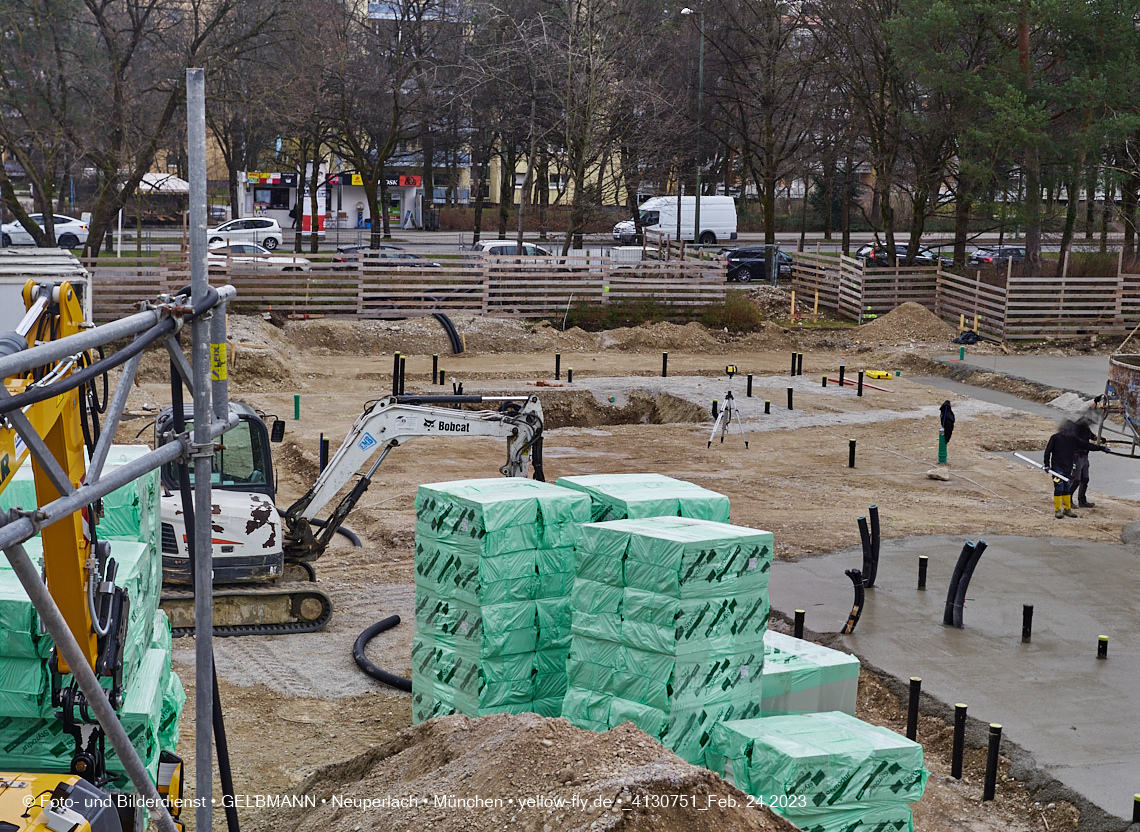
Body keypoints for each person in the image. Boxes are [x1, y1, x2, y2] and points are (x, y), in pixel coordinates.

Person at [1043, 420, 1107, 518]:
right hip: (1057, 469)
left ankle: (1067, 509)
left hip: (1067, 468)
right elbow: (1048, 452)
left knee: (1066, 489)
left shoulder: (1073, 439)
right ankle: (1057, 510)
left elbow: (1086, 445)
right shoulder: (1055, 438)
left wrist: (1101, 448)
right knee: (1059, 488)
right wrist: (1047, 465)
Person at [1067, 414, 1104, 509]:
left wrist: (1099, 439)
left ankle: (1082, 500)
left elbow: (1091, 436)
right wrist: (1098, 448)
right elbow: (1082, 443)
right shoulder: (1076, 428)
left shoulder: (1085, 427)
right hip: (1076, 456)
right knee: (1075, 480)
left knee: (1085, 479)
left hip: (1084, 456)